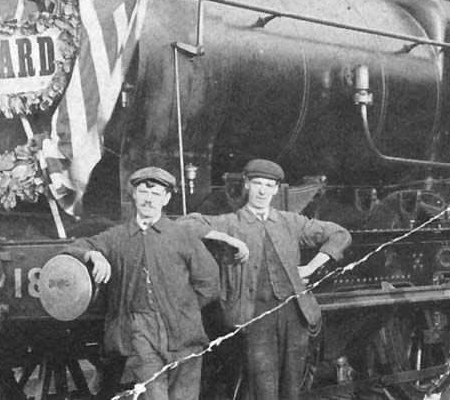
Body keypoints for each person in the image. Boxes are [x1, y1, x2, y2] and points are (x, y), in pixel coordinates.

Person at [185, 159, 351, 400]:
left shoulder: (290, 222)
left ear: (276, 189)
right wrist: (226, 238)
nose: (262, 190)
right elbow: (185, 224)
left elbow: (340, 234)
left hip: (295, 314)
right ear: (247, 185)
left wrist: (312, 267)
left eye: (268, 185)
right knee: (263, 386)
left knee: (292, 385)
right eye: (257, 184)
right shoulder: (232, 222)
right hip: (256, 316)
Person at [64, 167, 221, 400]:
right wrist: (93, 255)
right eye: (143, 192)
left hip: (184, 333)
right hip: (139, 331)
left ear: (166, 199)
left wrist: (183, 308)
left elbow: (209, 282)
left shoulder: (182, 236)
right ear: (134, 195)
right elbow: (74, 246)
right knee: (153, 395)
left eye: (156, 194)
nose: (149, 199)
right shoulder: (116, 237)